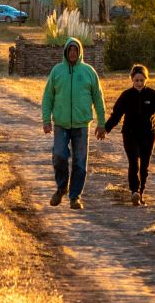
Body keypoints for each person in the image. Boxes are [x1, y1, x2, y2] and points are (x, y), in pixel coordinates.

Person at [40, 36, 106, 210]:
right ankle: (62, 187)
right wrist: (46, 120)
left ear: (80, 52)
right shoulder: (57, 71)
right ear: (65, 52)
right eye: (70, 50)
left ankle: (75, 197)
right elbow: (48, 97)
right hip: (61, 123)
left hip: (81, 124)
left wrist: (102, 123)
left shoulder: (89, 72)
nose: (72, 53)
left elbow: (98, 98)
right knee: (59, 156)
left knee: (80, 162)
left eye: (75, 50)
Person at [104, 64, 155, 205]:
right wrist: (105, 129)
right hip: (130, 134)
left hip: (148, 134)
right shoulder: (126, 95)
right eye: (136, 80)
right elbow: (116, 115)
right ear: (131, 80)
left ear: (146, 79)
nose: (139, 83)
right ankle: (134, 191)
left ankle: (140, 194)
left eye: (142, 80)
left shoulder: (153, 95)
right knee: (134, 163)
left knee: (144, 166)